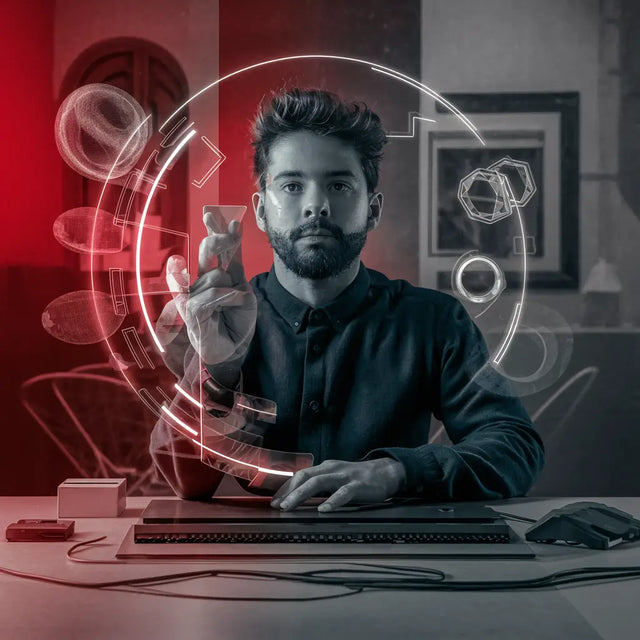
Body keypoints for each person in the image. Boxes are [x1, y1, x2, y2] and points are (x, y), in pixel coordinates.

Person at [150, 88, 545, 512]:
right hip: (257, 561)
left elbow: (515, 448)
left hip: (399, 562)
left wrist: (396, 471)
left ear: (372, 210)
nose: (316, 205)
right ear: (262, 210)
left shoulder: (434, 321)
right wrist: (220, 374)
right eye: (292, 185)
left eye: (338, 185)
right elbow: (188, 484)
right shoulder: (221, 315)